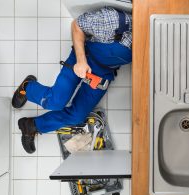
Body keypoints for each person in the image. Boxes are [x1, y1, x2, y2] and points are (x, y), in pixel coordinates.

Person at [11, 7, 132, 154]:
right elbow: (77, 25)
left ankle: (32, 125)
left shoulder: (150, 44)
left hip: (103, 71)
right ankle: (28, 87)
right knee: (55, 102)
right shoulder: (115, 21)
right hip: (83, 57)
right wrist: (81, 61)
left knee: (77, 116)